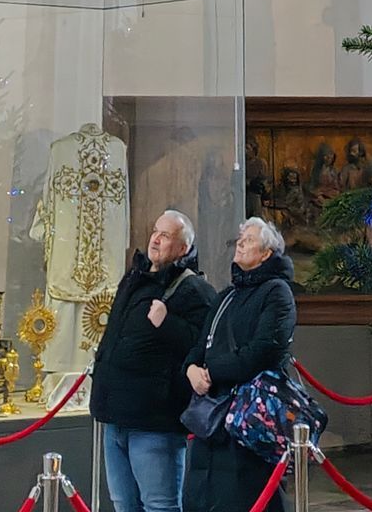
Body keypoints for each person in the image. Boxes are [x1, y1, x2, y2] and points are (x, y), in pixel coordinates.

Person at [91, 209, 215, 512]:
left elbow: (204, 347)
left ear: (183, 248)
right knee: (124, 505)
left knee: (159, 506)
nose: (156, 239)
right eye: (155, 231)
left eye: (166, 235)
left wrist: (167, 323)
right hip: (115, 416)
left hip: (154, 423)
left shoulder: (195, 290)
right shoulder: (135, 278)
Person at [181, 217, 298, 512]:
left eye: (249, 239)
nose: (240, 243)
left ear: (267, 253)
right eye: (240, 237)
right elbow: (199, 346)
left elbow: (263, 351)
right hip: (213, 415)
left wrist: (212, 372)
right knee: (205, 495)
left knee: (247, 495)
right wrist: (192, 369)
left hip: (252, 417)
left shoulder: (277, 292)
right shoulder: (226, 296)